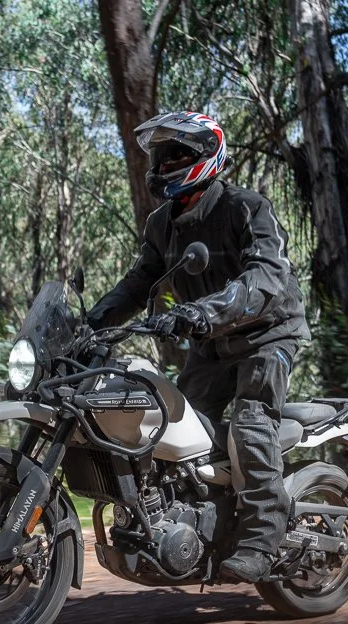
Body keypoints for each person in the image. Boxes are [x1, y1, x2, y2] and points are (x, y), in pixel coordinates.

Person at [87, 111, 311, 583]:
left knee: (250, 424)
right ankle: (201, 522)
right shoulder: (161, 224)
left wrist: (201, 312)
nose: (166, 164)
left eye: (178, 155)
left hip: (266, 337)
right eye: (162, 156)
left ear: (208, 156)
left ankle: (261, 539)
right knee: (178, 433)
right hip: (212, 345)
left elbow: (265, 277)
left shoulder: (247, 208)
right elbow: (137, 283)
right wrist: (90, 322)